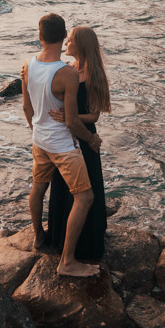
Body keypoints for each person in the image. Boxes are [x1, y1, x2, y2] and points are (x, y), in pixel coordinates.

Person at [22, 13, 101, 277]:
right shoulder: (66, 72)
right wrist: (91, 139)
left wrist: (38, 130)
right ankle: (67, 262)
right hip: (62, 146)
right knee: (85, 197)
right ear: (63, 34)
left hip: (39, 140)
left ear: (40, 36)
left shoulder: (28, 65)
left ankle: (38, 238)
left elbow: (27, 107)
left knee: (38, 188)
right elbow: (72, 122)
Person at [44, 25, 111, 264]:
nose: (66, 42)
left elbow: (94, 116)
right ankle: (60, 238)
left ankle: (85, 245)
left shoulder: (94, 75)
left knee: (83, 192)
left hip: (83, 136)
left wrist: (68, 117)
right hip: (66, 135)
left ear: (80, 44)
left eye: (70, 39)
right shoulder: (68, 69)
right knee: (64, 188)